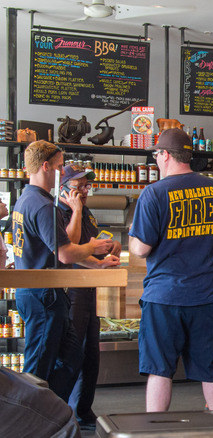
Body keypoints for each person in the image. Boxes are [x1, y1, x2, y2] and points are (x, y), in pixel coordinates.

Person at [129, 128, 213, 414]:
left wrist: (132, 241)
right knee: (212, 368)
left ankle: (154, 432)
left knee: (160, 369)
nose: (156, 159)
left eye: (156, 154)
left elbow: (140, 249)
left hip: (163, 297)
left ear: (165, 155)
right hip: (206, 295)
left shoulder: (153, 193)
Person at [12, 140, 118, 401]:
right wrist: (92, 247)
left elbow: (58, 251)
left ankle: (52, 411)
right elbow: (66, 253)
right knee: (37, 369)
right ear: (46, 166)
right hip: (43, 295)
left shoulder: (25, 199)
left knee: (72, 357)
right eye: (59, 166)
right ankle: (30, 420)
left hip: (45, 293)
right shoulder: (42, 205)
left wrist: (99, 263)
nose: (61, 172)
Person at [58, 164, 122, 430]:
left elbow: (90, 244)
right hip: (71, 289)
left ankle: (83, 411)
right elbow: (70, 251)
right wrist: (75, 210)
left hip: (90, 289)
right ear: (63, 189)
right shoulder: (60, 213)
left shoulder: (86, 212)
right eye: (79, 186)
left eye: (86, 186)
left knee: (91, 355)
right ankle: (64, 412)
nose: (85, 191)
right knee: (73, 353)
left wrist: (109, 248)